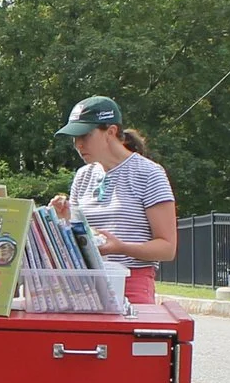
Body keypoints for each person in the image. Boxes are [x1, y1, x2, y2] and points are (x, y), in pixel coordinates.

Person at [48, 97, 175, 304]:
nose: (78, 144)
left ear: (111, 132)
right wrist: (62, 220)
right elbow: (80, 239)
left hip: (131, 284)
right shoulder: (83, 175)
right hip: (86, 284)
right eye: (74, 138)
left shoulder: (149, 173)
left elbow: (167, 248)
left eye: (85, 135)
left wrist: (121, 247)